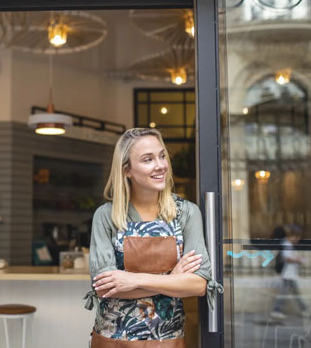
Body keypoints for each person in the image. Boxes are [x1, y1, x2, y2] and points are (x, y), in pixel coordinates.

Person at [84, 128, 223, 348]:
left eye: (162, 156)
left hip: (167, 338)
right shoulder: (106, 216)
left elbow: (198, 285)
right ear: (127, 170)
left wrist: (134, 280)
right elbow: (105, 288)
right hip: (113, 338)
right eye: (148, 159)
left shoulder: (186, 213)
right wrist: (172, 279)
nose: (160, 165)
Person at [270, 224, 308, 320]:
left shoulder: (287, 244)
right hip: (288, 274)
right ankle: (277, 310)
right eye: (297, 237)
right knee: (285, 293)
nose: (298, 240)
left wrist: (297, 259)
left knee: (294, 293)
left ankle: (305, 310)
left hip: (290, 274)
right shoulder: (286, 244)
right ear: (291, 236)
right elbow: (287, 258)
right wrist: (298, 260)